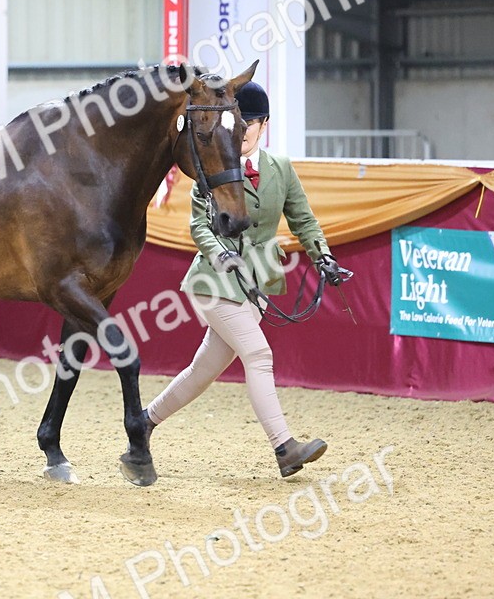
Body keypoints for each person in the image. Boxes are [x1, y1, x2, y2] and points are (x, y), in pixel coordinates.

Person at [145, 81, 349, 478]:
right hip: (215, 280)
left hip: (256, 284)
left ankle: (143, 421)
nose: (241, 131)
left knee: (202, 371)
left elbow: (303, 220)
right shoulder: (215, 165)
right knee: (259, 355)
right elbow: (199, 227)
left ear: (263, 125)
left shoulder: (281, 169)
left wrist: (323, 257)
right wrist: (221, 254)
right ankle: (284, 448)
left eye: (248, 124)